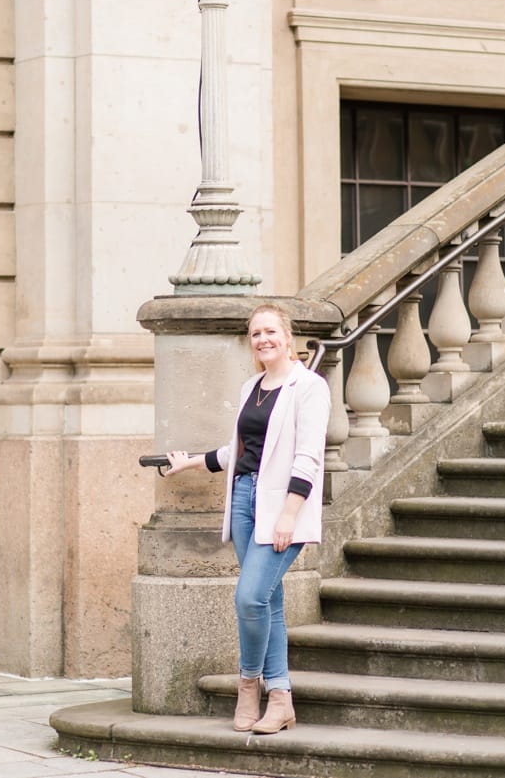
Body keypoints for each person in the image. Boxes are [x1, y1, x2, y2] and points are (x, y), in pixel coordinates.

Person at [162, 301, 330, 736]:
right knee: (268, 602)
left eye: (271, 331)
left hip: (281, 506)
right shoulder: (251, 386)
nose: (264, 340)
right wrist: (193, 462)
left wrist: (289, 515)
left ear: (288, 337)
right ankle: (281, 700)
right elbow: (239, 450)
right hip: (242, 499)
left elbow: (308, 457)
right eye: (256, 334)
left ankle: (248, 685)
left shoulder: (309, 387)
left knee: (250, 597)